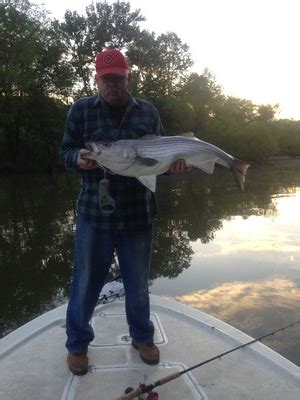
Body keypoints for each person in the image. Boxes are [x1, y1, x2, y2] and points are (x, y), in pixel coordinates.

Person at [60, 48, 190, 376]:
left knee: (137, 281)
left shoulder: (147, 112)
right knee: (86, 281)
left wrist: (173, 167)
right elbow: (65, 150)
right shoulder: (81, 111)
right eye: (106, 79)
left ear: (128, 76)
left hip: (138, 215)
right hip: (94, 214)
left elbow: (159, 159)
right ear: (97, 79)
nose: (112, 84)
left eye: (118, 77)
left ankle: (142, 338)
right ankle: (77, 345)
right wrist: (77, 158)